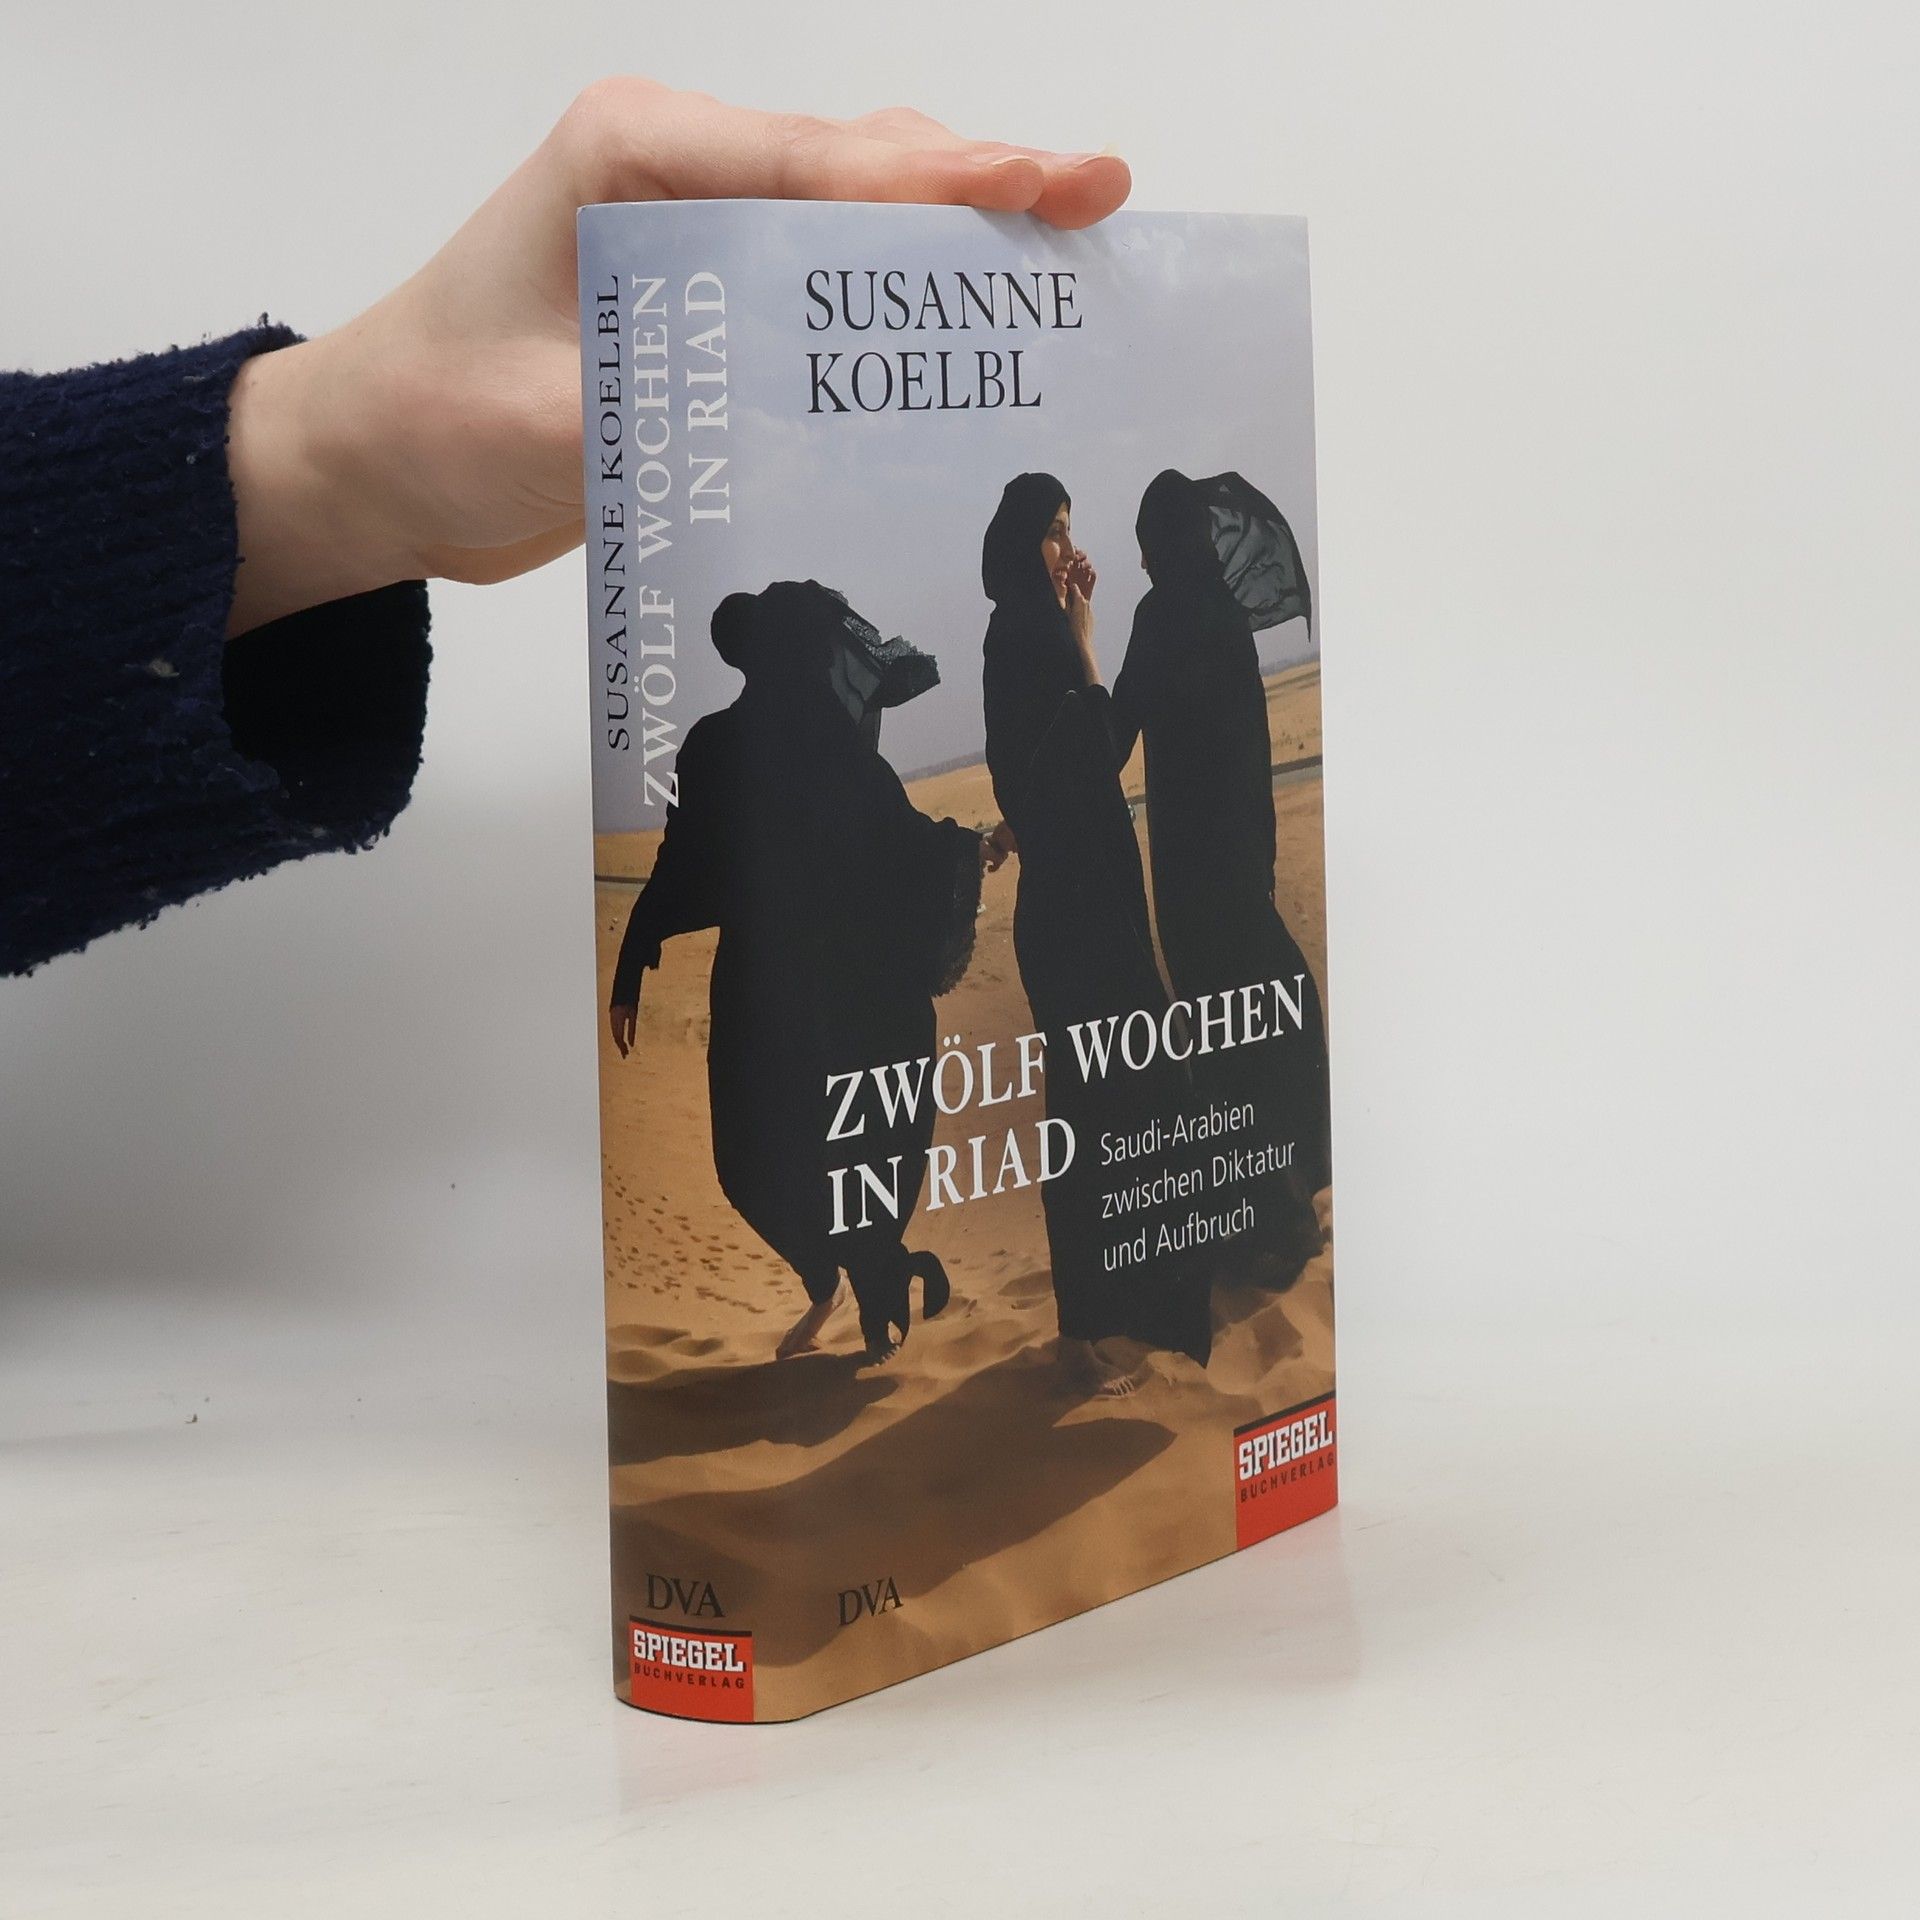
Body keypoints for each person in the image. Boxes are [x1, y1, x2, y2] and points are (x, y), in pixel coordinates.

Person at [0, 81, 1131, 978]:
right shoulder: (776, 738)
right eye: (1053, 526)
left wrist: (337, 466)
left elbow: (843, 842)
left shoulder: (780, 740)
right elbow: (720, 866)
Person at [608, 585, 989, 1363]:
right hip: (775, 994)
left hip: (838, 991)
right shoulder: (717, 746)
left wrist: (967, 850)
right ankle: (837, 1279)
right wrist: (631, 961)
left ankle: (870, 1286)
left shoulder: (826, 749)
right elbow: (683, 860)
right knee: (758, 1161)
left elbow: (899, 839)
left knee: (844, 1150)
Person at [980, 474, 1212, 1395]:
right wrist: (1085, 641)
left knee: (1129, 1109)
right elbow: (1096, 748)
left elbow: (1061, 768)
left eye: (1069, 529)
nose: (1066, 547)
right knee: (1100, 1119)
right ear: (1018, 541)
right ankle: (1082, 1337)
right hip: (1074, 920)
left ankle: (1117, 1318)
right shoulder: (1020, 634)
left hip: (1087, 910)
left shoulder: (1026, 630)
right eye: (1051, 531)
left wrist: (1077, 630)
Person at [1114, 470, 1332, 1275]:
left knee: (1223, 1041)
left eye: (1146, 545)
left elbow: (1116, 731)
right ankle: (1293, 1194)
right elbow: (1253, 749)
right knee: (1274, 1018)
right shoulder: (1225, 613)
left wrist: (1077, 648)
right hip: (1241, 866)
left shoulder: (1160, 616)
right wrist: (1260, 862)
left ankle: (1273, 1224)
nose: (1143, 562)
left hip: (1191, 876)